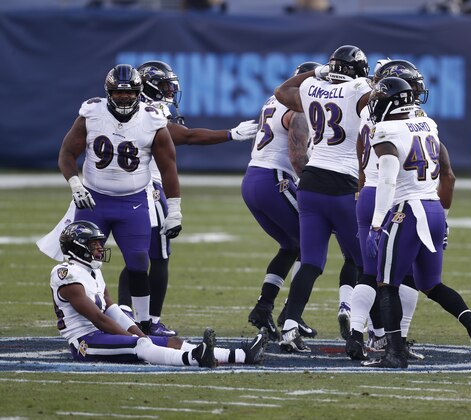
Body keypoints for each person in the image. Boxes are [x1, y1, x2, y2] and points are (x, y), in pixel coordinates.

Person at [116, 60, 258, 337]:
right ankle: (151, 320)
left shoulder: (124, 109)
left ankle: (123, 315)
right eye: (166, 86)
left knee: (136, 257)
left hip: (126, 187)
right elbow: (188, 136)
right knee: (158, 257)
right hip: (149, 189)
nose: (170, 91)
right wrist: (229, 134)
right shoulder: (149, 110)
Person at [362, 77, 471, 368]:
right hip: (432, 207)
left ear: (391, 101)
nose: (375, 103)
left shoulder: (385, 129)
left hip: (407, 211)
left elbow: (386, 179)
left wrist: (374, 225)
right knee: (431, 285)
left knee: (386, 284)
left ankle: (395, 352)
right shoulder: (427, 124)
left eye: (379, 98)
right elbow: (442, 170)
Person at [57, 64, 182, 336]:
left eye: (129, 93)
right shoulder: (91, 112)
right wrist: (75, 183)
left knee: (139, 263)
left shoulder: (152, 118)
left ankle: (145, 321)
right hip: (94, 201)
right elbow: (67, 152)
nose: (124, 98)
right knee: (81, 263)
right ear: (108, 93)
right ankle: (89, 320)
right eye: (117, 93)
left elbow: (169, 166)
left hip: (133, 202)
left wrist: (174, 209)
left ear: (139, 92)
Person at [50, 220, 268, 367]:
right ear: (77, 247)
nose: (99, 248)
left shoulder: (93, 271)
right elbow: (98, 318)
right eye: (93, 244)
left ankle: (241, 355)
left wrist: (138, 332)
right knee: (141, 345)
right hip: (86, 343)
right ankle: (194, 358)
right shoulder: (66, 274)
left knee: (172, 341)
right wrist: (134, 338)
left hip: (103, 334)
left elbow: (111, 310)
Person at [274, 45, 372, 352]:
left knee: (312, 262)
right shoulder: (359, 89)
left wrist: (315, 72)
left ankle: (289, 326)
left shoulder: (313, 87)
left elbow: (281, 91)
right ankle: (376, 331)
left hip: (311, 180)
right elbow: (379, 98)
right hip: (343, 183)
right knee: (365, 263)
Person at [347, 59, 434, 361]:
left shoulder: (370, 112)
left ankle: (361, 334)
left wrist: (360, 193)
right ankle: (398, 340)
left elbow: (361, 156)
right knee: (402, 275)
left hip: (368, 192)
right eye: (411, 86)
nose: (416, 91)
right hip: (395, 198)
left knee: (368, 273)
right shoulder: (409, 120)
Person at [244, 62, 320, 341]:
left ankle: (263, 307)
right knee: (312, 242)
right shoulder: (298, 109)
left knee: (292, 245)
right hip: (276, 179)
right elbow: (298, 158)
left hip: (253, 178)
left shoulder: (271, 101)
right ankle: (292, 314)